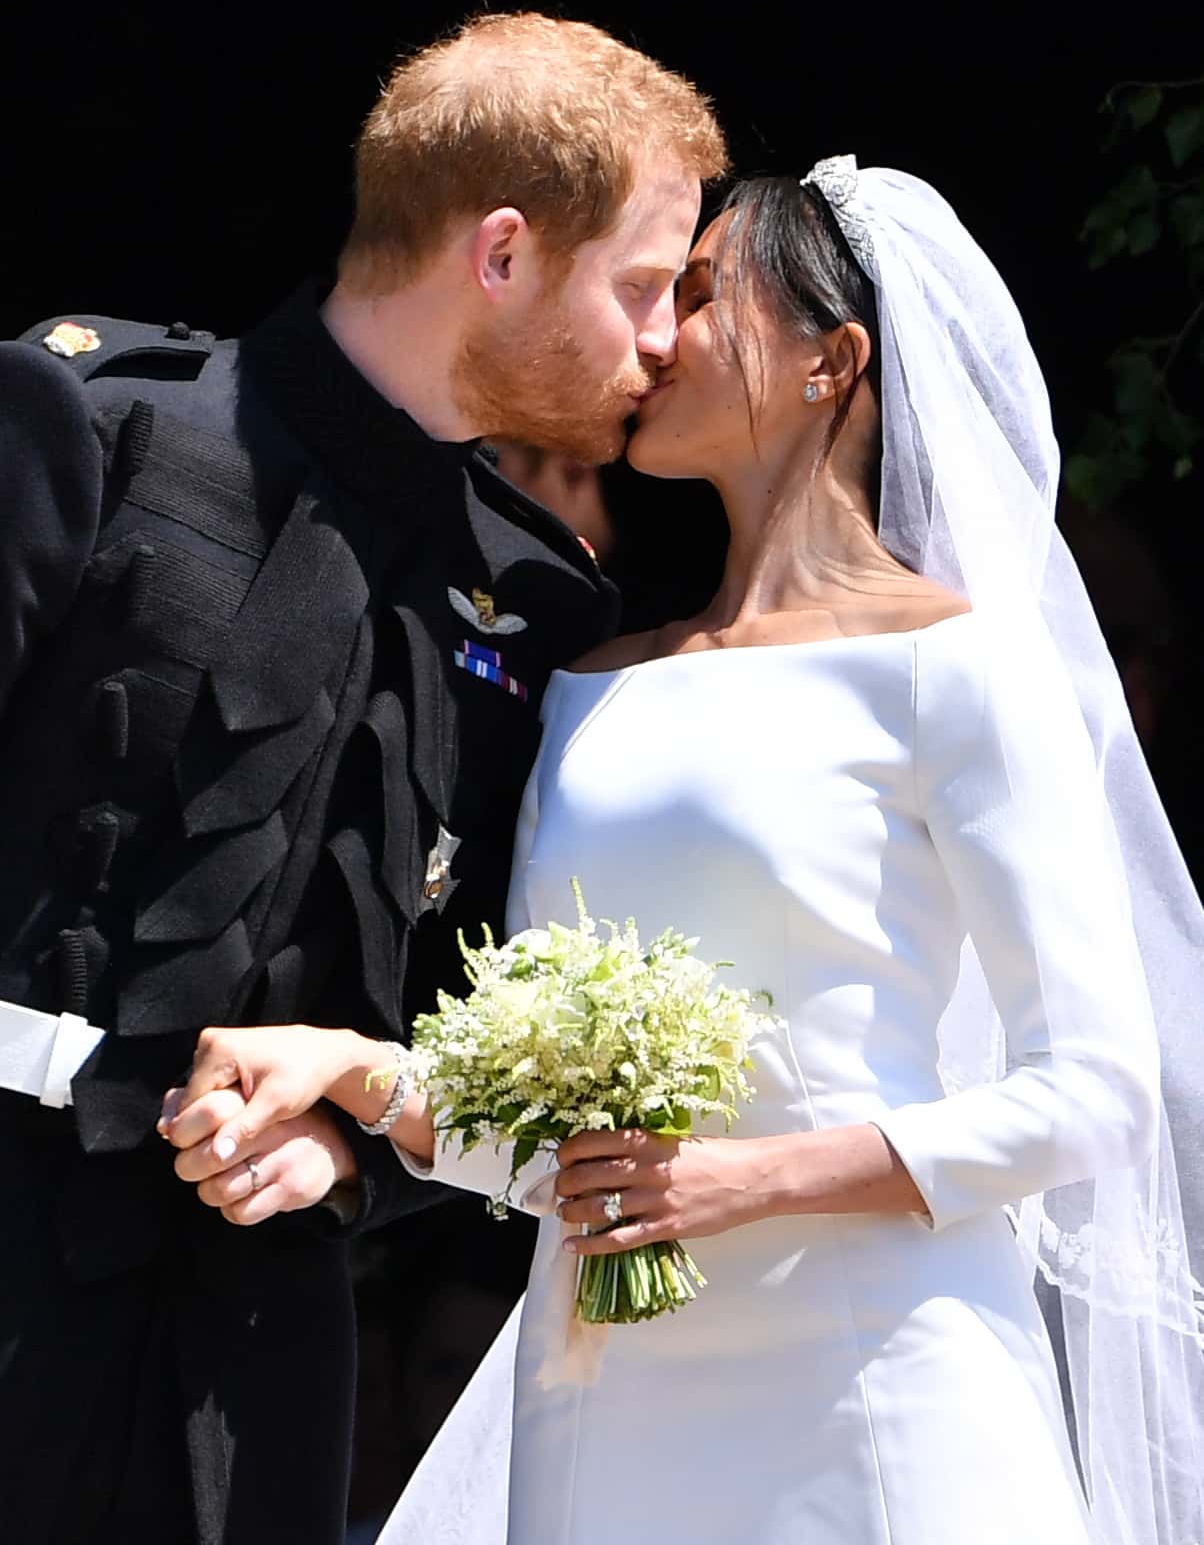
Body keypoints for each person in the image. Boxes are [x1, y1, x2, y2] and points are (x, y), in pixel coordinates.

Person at [166, 159, 1204, 1543]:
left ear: (833, 360)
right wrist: (353, 1073)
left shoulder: (956, 669)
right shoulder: (594, 683)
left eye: (701, 296)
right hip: (603, 1394)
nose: (653, 336)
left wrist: (745, 1179)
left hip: (878, 1383)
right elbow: (552, 1142)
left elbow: (1096, 1092)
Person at [0, 11, 727, 1545]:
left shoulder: (539, 609)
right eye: (646, 287)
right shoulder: (96, 422)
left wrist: (348, 1149)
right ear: (505, 252)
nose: (668, 343)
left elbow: (477, 1014)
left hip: (254, 1348)